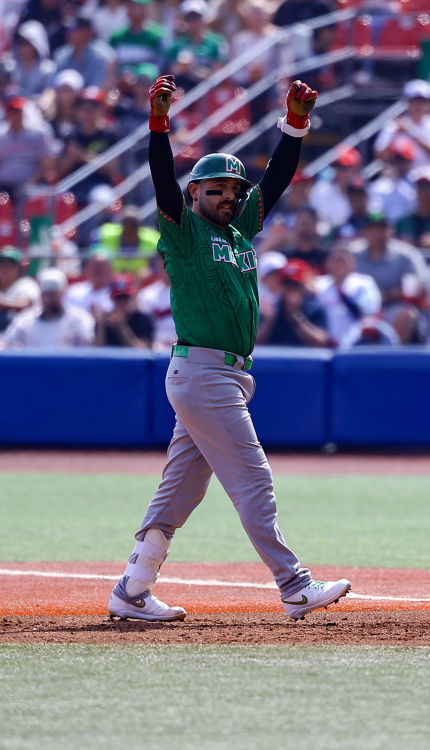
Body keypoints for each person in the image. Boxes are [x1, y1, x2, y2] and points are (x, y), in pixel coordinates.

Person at [106, 75, 351, 624]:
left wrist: (295, 125)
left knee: (179, 492)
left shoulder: (238, 233)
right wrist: (159, 125)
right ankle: (294, 585)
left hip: (222, 376)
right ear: (194, 193)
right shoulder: (183, 231)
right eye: (214, 189)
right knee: (253, 479)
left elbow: (277, 181)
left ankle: (132, 590)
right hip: (204, 374)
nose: (227, 197)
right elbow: (162, 181)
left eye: (233, 191)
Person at [349, 212, 429, 344]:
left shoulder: (405, 254)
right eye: (372, 229)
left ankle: (393, 354)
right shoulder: (353, 254)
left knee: (407, 314)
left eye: (382, 229)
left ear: (391, 231)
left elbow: (418, 287)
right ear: (365, 232)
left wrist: (387, 295)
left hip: (392, 307)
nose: (377, 234)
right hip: (358, 308)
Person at [374, 80, 430, 186]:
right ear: (407, 103)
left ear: (429, 104)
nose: (419, 106)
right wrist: (394, 135)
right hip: (401, 182)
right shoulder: (394, 125)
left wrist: (410, 132)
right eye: (415, 101)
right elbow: (379, 157)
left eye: (422, 101)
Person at [0, 267, 93, 348]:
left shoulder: (79, 319)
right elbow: (6, 345)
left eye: (54, 294)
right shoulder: (25, 320)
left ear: (63, 294)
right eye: (47, 294)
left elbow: (90, 348)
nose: (51, 298)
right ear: (41, 295)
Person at [315, 242, 385, 349]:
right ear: (327, 264)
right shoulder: (318, 284)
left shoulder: (364, 283)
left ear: (353, 264)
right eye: (335, 260)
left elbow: (368, 312)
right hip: (323, 343)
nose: (339, 264)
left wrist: (340, 291)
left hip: (357, 342)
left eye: (342, 260)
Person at [256, 258, 331, 347]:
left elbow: (320, 341)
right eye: (287, 286)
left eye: (295, 287)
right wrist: (271, 320)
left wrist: (295, 316)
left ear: (303, 288)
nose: (290, 291)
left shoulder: (315, 308)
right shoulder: (273, 308)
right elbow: (255, 341)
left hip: (305, 355)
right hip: (276, 354)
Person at [168, 0, 229, 91]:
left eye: (197, 17)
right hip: (183, 90)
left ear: (204, 18)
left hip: (209, 91)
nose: (193, 22)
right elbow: (170, 73)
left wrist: (193, 71)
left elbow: (219, 76)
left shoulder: (217, 42)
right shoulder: (178, 45)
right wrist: (178, 69)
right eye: (189, 18)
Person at [109, 0, 166, 74]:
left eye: (135, 5)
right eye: (128, 5)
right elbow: (110, 64)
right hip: (120, 79)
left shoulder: (157, 35)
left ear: (146, 8)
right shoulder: (117, 36)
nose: (130, 8)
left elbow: (160, 66)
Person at [94, 274, 154, 349]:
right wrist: (101, 326)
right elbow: (97, 351)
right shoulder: (105, 321)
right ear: (112, 299)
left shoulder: (143, 320)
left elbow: (142, 351)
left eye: (125, 297)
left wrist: (122, 328)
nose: (122, 302)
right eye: (118, 298)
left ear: (131, 298)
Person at [136, 254, 176, 349]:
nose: (166, 267)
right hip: (157, 347)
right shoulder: (147, 294)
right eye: (162, 262)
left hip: (183, 346)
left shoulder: (189, 292)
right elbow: (144, 328)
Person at [0, 246, 40, 332]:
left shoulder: (27, 284)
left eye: (10, 266)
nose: (5, 269)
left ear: (19, 268)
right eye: (2, 265)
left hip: (24, 334)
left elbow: (23, 305)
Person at [65, 248, 113, 314]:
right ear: (88, 268)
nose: (98, 270)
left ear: (110, 269)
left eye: (102, 266)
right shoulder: (74, 292)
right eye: (95, 265)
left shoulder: (117, 294)